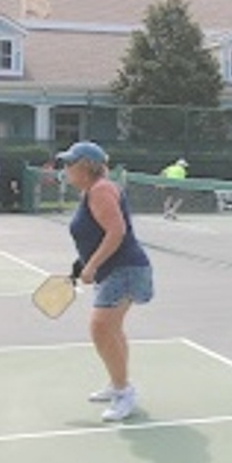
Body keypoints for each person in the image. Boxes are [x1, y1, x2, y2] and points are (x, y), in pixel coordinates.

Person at [57, 140, 154, 423]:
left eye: (69, 163)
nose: (65, 169)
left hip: (124, 269)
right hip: (116, 269)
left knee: (100, 328)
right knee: (111, 329)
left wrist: (93, 265)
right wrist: (83, 264)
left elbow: (116, 231)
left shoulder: (101, 190)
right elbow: (96, 234)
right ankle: (118, 383)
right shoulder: (91, 191)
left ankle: (124, 392)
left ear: (86, 166)